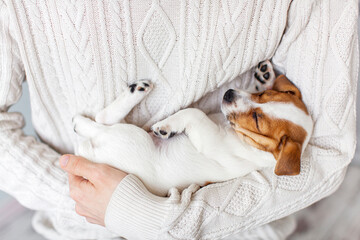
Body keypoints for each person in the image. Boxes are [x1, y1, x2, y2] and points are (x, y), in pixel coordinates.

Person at [0, 0, 357, 239]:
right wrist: (80, 196)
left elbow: (325, 149)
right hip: (84, 224)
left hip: (241, 230)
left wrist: (160, 219)